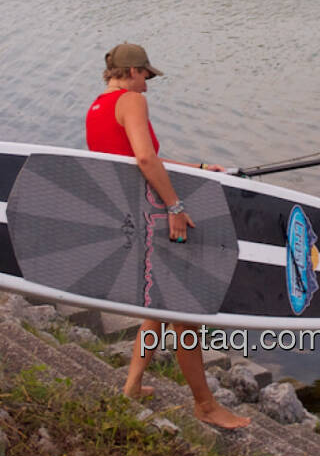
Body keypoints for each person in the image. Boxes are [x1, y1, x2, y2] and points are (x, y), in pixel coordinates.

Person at [86, 43, 251, 430]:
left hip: (125, 214)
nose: (148, 83)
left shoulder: (97, 107)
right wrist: (175, 206)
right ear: (130, 72)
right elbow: (144, 160)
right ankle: (205, 405)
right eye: (145, 75)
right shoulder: (130, 101)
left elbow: (138, 160)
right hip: (151, 214)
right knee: (184, 310)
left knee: (157, 308)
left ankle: (131, 385)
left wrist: (199, 167)